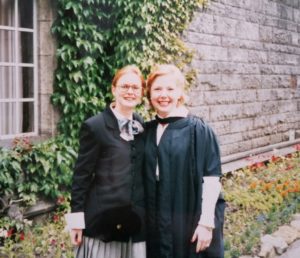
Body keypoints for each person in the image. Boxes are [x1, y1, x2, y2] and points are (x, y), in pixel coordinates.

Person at [144, 64, 225, 258]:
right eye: (157, 89)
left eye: (170, 89)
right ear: (149, 95)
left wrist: (206, 223)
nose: (164, 95)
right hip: (155, 220)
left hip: (189, 214)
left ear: (180, 92)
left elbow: (212, 179)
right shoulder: (146, 131)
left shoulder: (199, 130)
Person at [65, 65, 146, 258]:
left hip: (134, 223)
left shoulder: (140, 124)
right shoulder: (95, 126)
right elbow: (81, 176)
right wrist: (76, 221)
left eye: (135, 88)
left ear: (141, 92)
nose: (130, 91)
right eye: (125, 86)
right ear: (113, 89)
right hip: (103, 222)